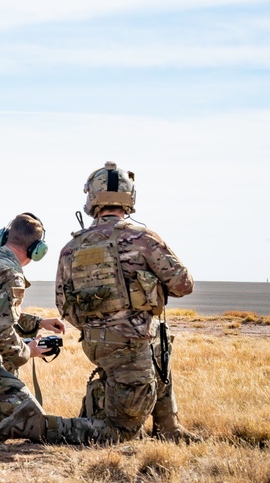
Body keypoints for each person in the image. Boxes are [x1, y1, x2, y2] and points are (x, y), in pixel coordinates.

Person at [56, 161, 199, 443]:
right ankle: (38, 426)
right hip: (130, 344)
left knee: (159, 348)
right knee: (119, 434)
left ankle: (168, 429)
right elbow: (184, 285)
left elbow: (64, 305)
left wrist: (98, 324)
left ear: (92, 199)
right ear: (130, 198)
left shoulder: (72, 247)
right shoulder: (142, 238)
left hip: (95, 343)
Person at [0, 213, 114, 444]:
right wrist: (28, 351)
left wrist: (37, 322)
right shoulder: (11, 275)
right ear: (36, 250)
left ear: (4, 237)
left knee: (12, 366)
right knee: (32, 419)